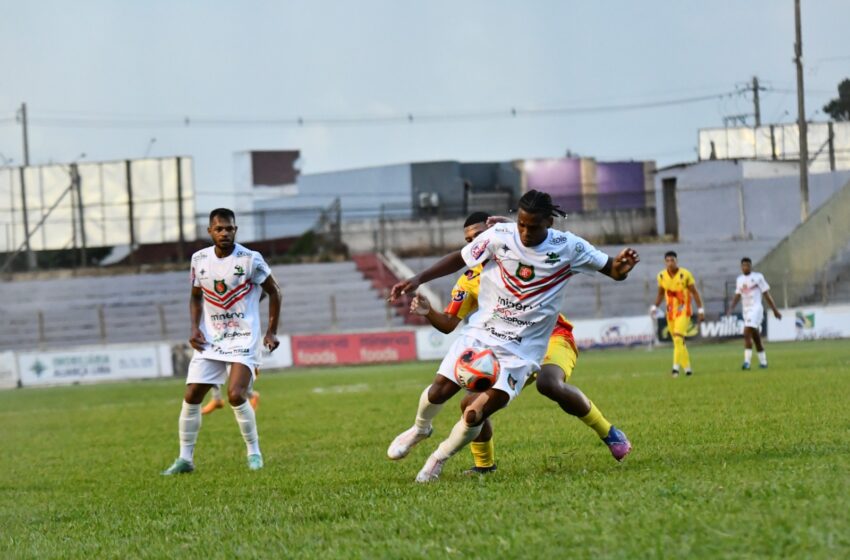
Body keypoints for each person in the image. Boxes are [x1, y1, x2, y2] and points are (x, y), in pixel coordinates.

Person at [387, 190, 639, 483]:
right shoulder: (490, 250)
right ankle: (430, 434)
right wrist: (418, 282)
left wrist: (622, 267)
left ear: (548, 223)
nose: (524, 232)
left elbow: (613, 269)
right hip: (484, 336)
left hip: (531, 345)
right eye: (520, 224)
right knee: (446, 394)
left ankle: (437, 460)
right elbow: (456, 274)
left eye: (532, 226)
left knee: (545, 385)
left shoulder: (568, 247)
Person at [162, 208, 281, 475]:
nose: (225, 233)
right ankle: (185, 460)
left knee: (236, 394)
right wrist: (194, 328)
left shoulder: (251, 259)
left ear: (235, 230)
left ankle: (254, 453)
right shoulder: (199, 259)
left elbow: (275, 292)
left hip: (243, 337)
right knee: (191, 395)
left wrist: (271, 331)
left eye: (229, 228)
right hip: (212, 339)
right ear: (210, 231)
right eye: (219, 229)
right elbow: (195, 296)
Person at [650, 251, 704, 377]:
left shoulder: (685, 274)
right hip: (670, 312)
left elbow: (695, 293)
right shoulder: (661, 276)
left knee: (678, 337)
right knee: (678, 342)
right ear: (665, 262)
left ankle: (675, 369)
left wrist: (701, 309)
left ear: (676, 261)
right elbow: (660, 293)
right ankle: (688, 369)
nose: (670, 263)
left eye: (672, 260)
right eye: (667, 261)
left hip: (684, 310)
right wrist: (654, 306)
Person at [727, 257, 782, 369]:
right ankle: (763, 362)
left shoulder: (758, 277)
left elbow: (766, 294)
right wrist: (731, 308)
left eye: (747, 265)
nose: (745, 267)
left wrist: (775, 310)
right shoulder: (740, 280)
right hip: (746, 310)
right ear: (741, 267)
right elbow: (738, 295)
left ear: (751, 266)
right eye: (743, 266)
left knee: (746, 332)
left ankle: (747, 362)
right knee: (756, 337)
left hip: (756, 309)